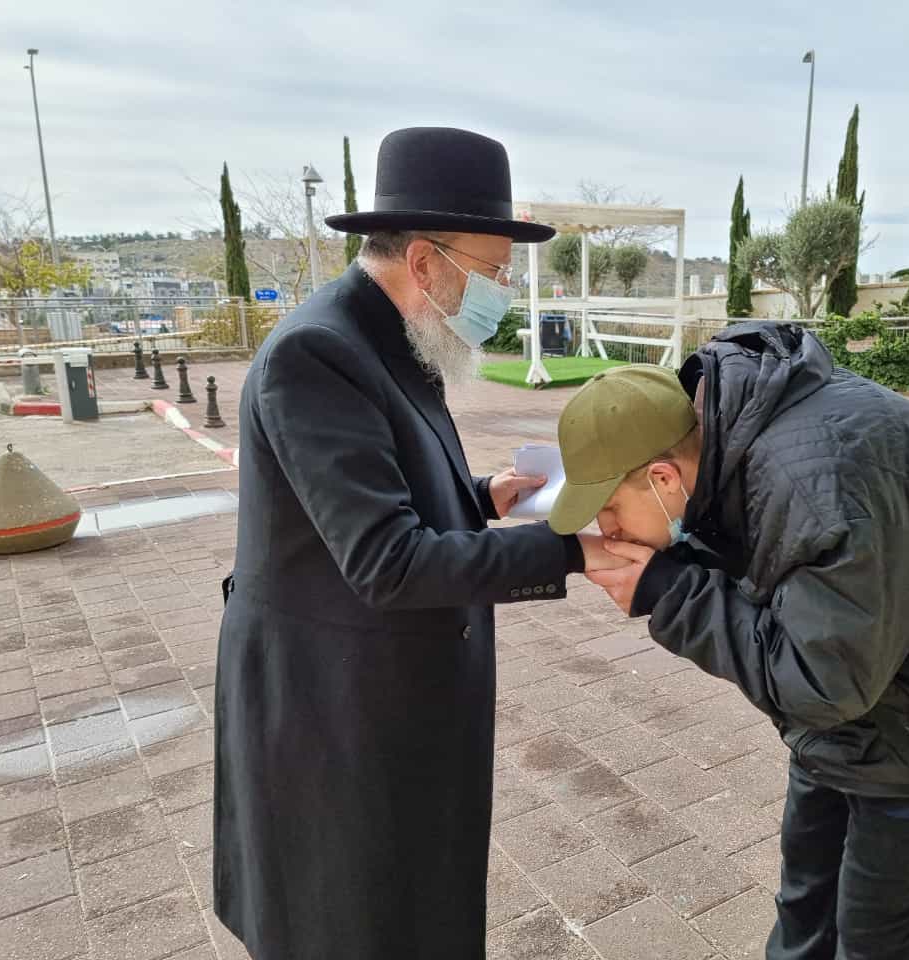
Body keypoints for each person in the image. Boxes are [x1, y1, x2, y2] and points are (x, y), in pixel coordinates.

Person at [548, 325, 909, 960]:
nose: (608, 530)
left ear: (665, 477)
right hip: (861, 708)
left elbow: (819, 681)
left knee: (875, 943)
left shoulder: (815, 480)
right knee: (806, 915)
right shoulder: (737, 434)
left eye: (610, 510)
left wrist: (668, 593)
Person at [214, 127, 628, 960]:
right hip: (332, 708)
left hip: (393, 696)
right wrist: (571, 550)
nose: (501, 292)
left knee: (414, 905)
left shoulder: (400, 335)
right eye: (493, 269)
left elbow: (377, 496)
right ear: (428, 261)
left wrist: (482, 496)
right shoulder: (318, 353)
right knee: (353, 920)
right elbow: (386, 559)